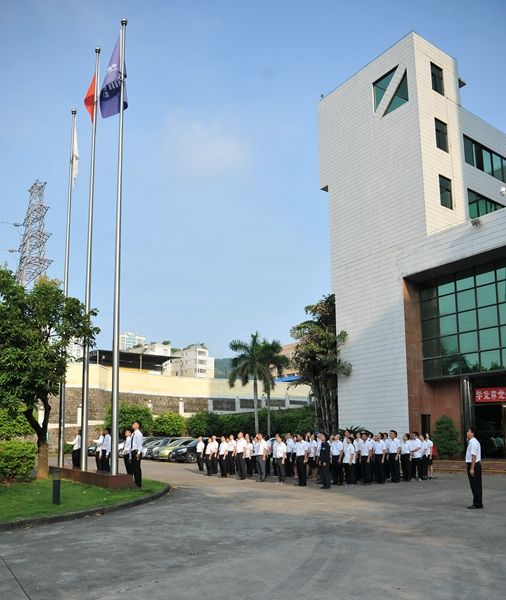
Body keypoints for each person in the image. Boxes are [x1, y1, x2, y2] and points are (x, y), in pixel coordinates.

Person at [465, 427, 483, 509]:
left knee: (475, 485)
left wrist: (472, 468)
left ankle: (477, 503)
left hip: (474, 466)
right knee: (474, 485)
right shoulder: (471, 442)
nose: (467, 432)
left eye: (468, 431)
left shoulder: (474, 443)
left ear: (472, 433)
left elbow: (474, 456)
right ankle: (477, 502)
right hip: (473, 465)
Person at [130, 420, 144, 488]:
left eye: (134, 424)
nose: (133, 425)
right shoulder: (133, 434)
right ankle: (135, 482)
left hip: (136, 452)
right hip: (133, 452)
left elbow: (140, 444)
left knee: (137, 468)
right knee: (134, 468)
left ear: (138, 425)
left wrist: (138, 453)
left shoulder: (139, 434)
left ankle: (139, 483)